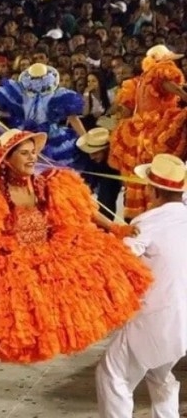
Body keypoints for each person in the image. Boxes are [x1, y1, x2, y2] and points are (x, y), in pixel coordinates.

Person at [0, 129, 153, 371]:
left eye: (34, 152)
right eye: (24, 153)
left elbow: (84, 207)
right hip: (12, 260)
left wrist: (114, 227)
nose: (32, 158)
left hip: (48, 254)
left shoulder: (46, 184)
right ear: (6, 159)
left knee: (93, 271)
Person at [95, 153, 187, 418]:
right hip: (182, 323)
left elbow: (120, 259)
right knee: (160, 374)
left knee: (113, 374)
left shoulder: (146, 223)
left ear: (152, 190)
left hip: (157, 318)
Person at [109, 44, 187, 219]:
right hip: (155, 126)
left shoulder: (142, 78)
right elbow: (172, 87)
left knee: (141, 173)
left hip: (139, 128)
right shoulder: (159, 72)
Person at [0, 63, 86, 167]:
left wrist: (86, 139)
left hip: (50, 135)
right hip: (24, 134)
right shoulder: (18, 91)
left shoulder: (58, 94)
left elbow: (73, 118)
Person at [76, 127, 121, 220]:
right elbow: (86, 179)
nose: (92, 157)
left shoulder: (116, 160)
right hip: (101, 173)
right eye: (90, 153)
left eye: (95, 153)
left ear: (106, 150)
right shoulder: (91, 159)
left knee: (106, 199)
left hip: (113, 176)